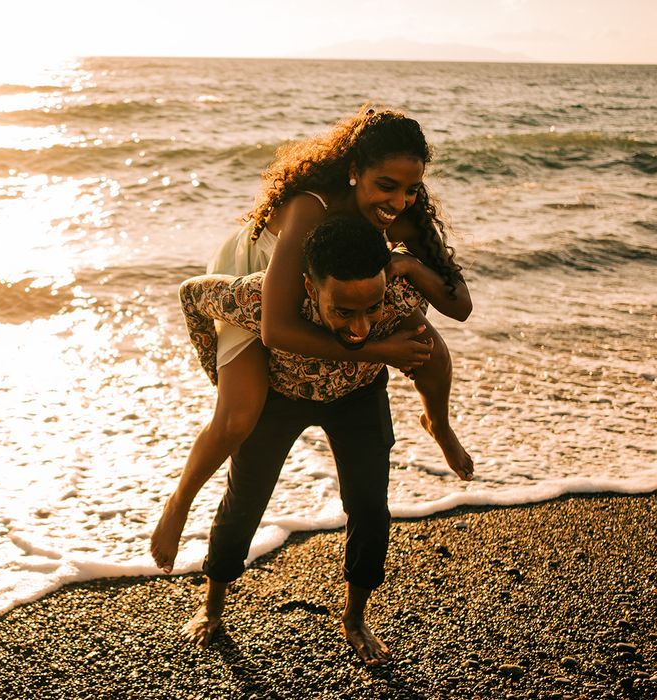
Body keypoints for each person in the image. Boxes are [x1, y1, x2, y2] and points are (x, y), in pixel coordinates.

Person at [150, 106, 473, 575]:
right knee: (240, 414)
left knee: (428, 344)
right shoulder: (310, 206)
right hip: (259, 278)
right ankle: (178, 503)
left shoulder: (402, 215)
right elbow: (276, 328)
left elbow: (459, 305)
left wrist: (409, 265)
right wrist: (380, 351)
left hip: (332, 288)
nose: (400, 201)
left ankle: (438, 424)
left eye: (411, 188)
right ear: (354, 172)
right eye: (387, 186)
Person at [178, 217, 464, 665]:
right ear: (310, 287)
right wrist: (220, 375)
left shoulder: (400, 296)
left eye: (371, 308)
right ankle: (212, 605)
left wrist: (412, 269)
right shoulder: (260, 298)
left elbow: (442, 334)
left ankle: (354, 618)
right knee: (245, 499)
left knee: (370, 507)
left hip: (359, 399)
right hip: (281, 399)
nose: (361, 328)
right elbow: (191, 296)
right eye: (344, 312)